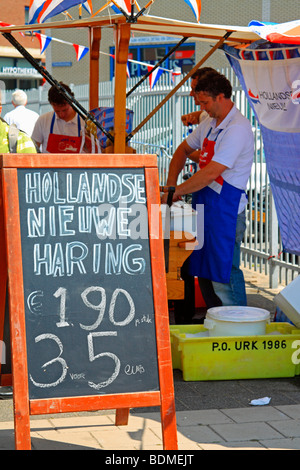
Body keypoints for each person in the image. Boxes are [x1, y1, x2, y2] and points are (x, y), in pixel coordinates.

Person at [162, 70, 254, 317]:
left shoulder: (238, 128)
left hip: (227, 212)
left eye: (204, 102)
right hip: (205, 208)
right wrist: (172, 185)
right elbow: (182, 150)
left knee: (224, 275)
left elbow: (212, 172)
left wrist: (177, 192)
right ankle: (218, 323)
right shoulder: (209, 124)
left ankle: (239, 329)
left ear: (221, 96)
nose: (201, 108)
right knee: (205, 271)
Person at [32, 82, 86, 153]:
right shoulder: (43, 120)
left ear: (71, 102)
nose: (61, 114)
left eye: (65, 110)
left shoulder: (84, 122)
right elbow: (33, 149)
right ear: (51, 104)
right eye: (57, 111)